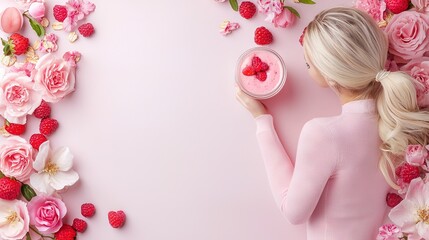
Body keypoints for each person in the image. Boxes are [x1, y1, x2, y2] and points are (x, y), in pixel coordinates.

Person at [236, 7, 429, 240]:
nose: (307, 69)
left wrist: (262, 121)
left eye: (309, 64)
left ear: (331, 77)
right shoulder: (400, 124)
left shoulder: (323, 134)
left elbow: (294, 212)